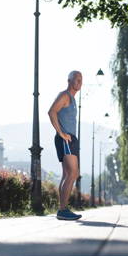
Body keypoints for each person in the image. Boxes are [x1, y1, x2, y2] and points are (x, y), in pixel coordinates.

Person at [48, 71, 83, 220]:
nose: (79, 82)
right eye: (76, 79)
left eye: (81, 80)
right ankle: (63, 210)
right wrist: (61, 133)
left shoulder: (73, 99)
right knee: (73, 173)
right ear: (69, 80)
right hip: (65, 139)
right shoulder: (64, 95)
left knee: (67, 174)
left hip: (70, 139)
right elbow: (51, 112)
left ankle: (62, 209)